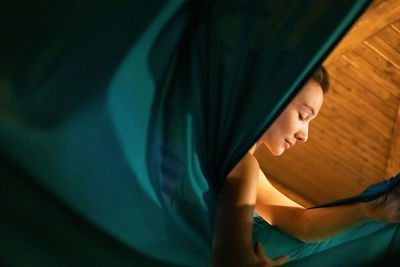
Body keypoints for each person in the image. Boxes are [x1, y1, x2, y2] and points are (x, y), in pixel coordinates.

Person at [211, 66, 400, 266]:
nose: (305, 135)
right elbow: (232, 259)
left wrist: (364, 211)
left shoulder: (244, 168)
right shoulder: (242, 166)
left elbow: (301, 222)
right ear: (271, 97)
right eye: (302, 116)